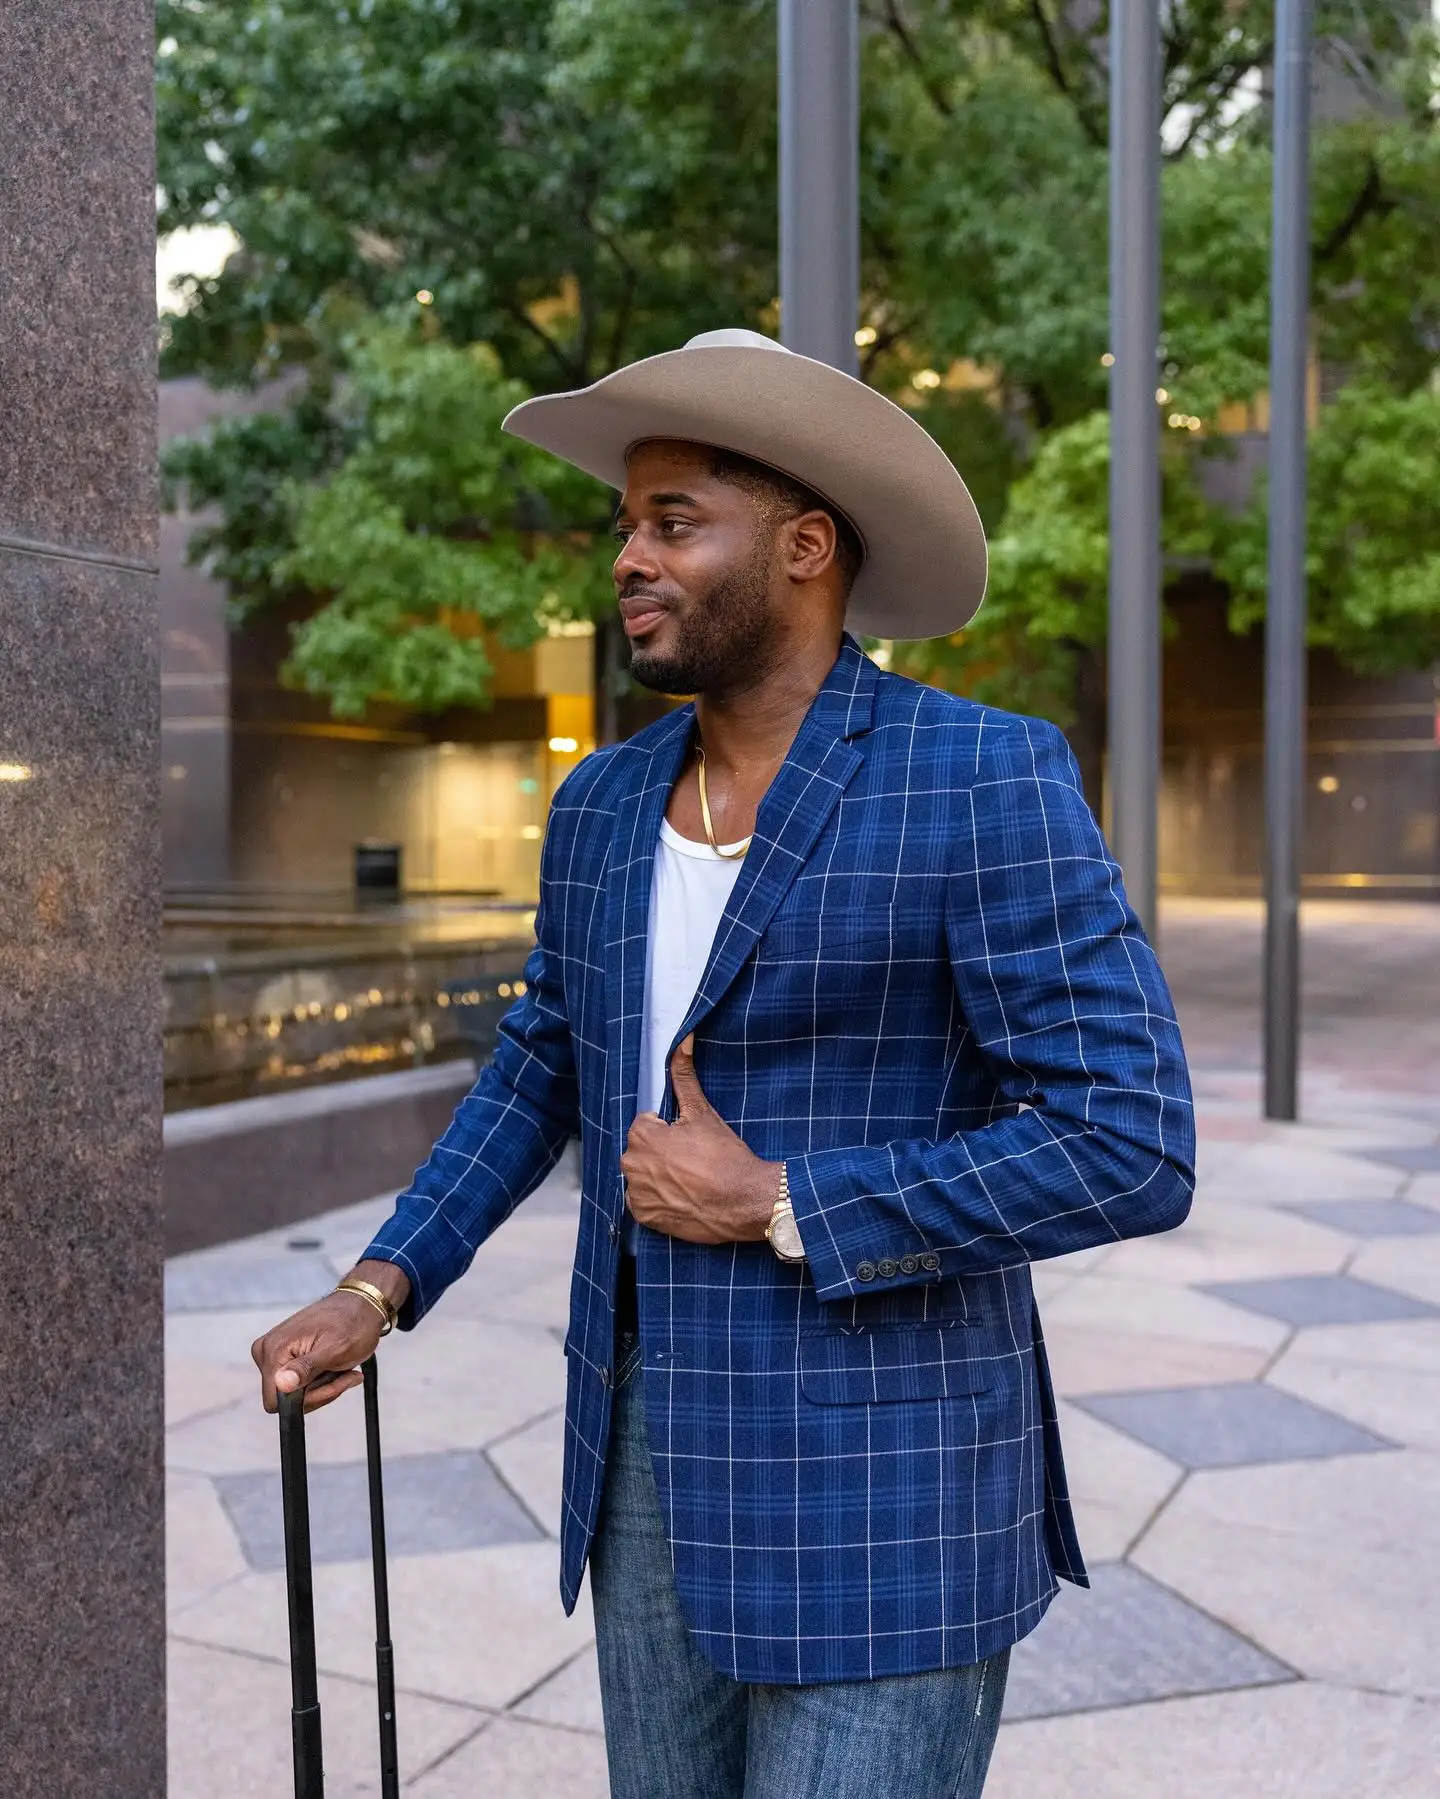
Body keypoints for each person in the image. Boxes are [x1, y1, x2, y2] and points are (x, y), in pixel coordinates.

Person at [252, 329, 1195, 1797]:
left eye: (674, 521)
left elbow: (1131, 1137)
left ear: (807, 546)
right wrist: (382, 1281)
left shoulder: (982, 777)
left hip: (890, 1501)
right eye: (625, 524)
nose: (628, 556)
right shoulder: (605, 805)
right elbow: (540, 1066)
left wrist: (783, 1200)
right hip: (646, 1479)